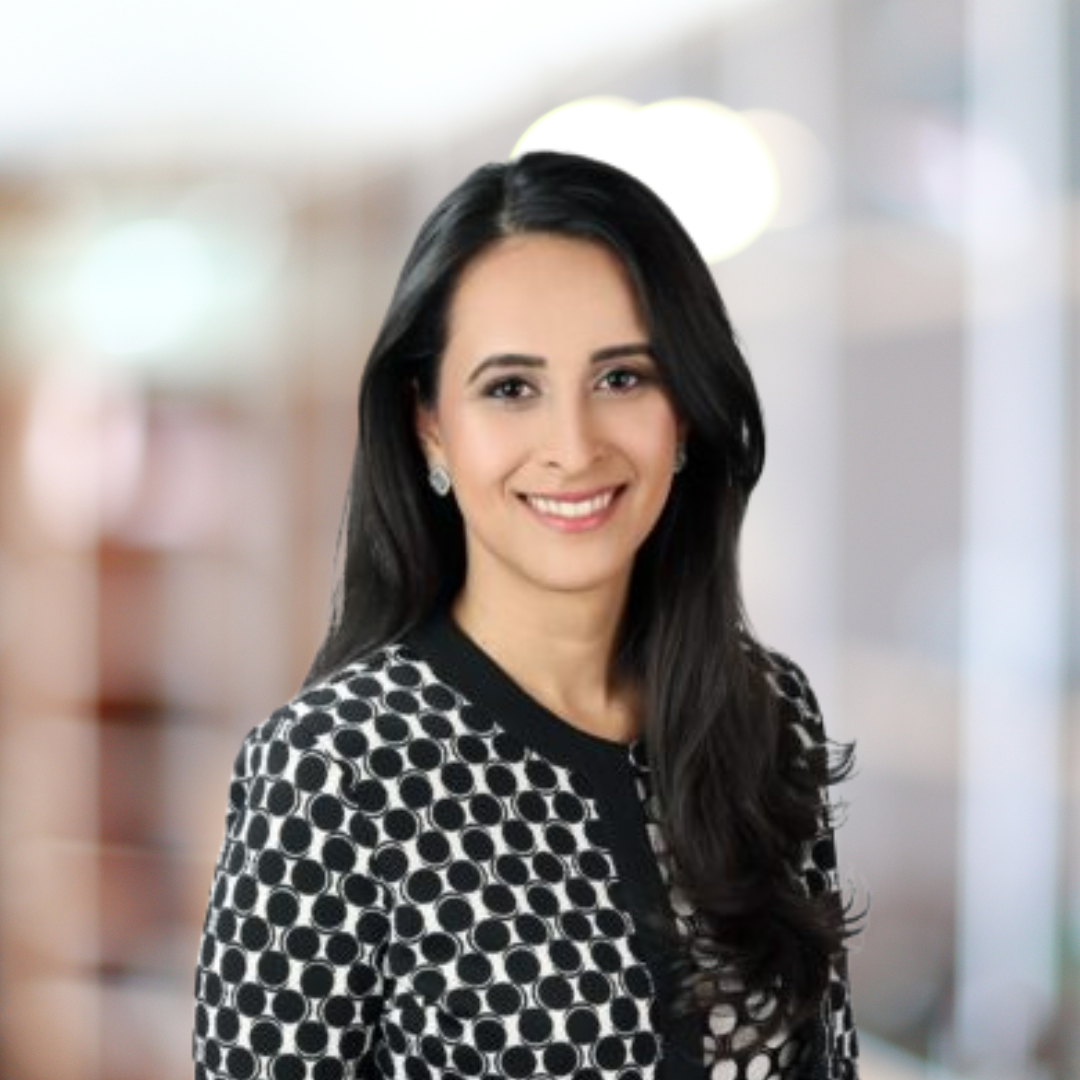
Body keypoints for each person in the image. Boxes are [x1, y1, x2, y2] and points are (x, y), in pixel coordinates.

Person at [192, 150, 860, 1080]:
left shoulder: (765, 713)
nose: (573, 446)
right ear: (430, 422)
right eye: (512, 388)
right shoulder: (337, 770)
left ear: (686, 415)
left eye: (622, 378)